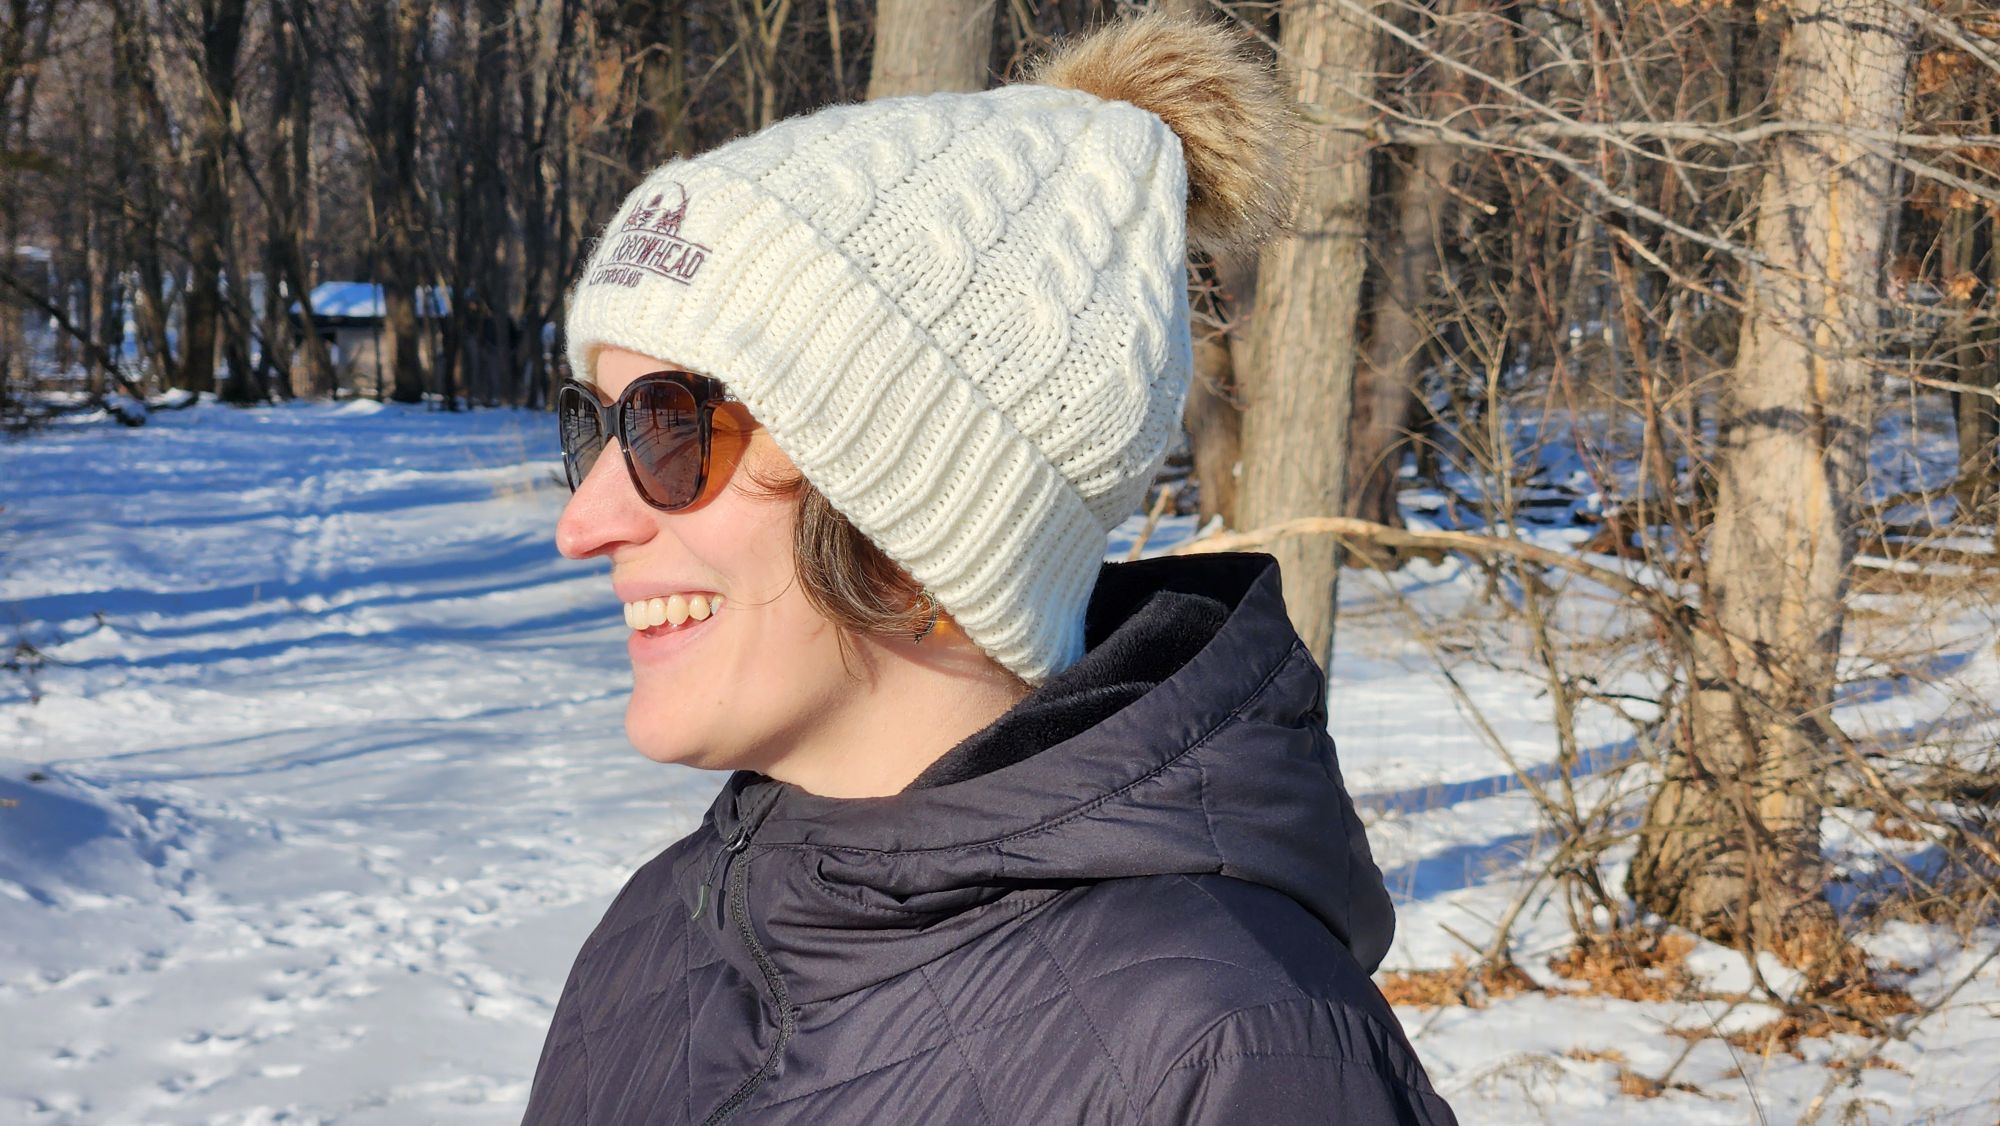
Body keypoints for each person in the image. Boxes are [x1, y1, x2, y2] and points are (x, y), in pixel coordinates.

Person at [525, 12, 1457, 1125]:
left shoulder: (1230, 1054)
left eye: (669, 426)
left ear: (913, 494)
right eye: (595, 426)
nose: (584, 522)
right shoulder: (653, 942)